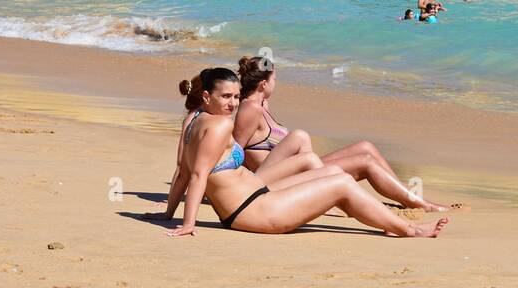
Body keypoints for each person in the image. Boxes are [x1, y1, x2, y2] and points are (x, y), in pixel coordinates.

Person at [154, 68, 448, 237]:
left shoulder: (193, 119)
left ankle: (386, 221)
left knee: (332, 172)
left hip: (256, 197)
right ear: (207, 96)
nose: (233, 104)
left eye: (235, 97)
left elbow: (181, 170)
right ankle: (409, 230)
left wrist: (168, 214)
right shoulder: (218, 126)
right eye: (226, 97)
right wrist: (188, 223)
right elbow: (196, 174)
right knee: (343, 183)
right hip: (253, 212)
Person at [232, 57, 448, 211]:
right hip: (283, 180)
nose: (276, 83)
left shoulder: (261, 105)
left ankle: (404, 193)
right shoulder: (250, 109)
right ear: (263, 84)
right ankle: (419, 203)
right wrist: (229, 188)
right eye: (274, 79)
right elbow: (235, 150)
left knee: (365, 146)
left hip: (300, 169)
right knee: (365, 162)